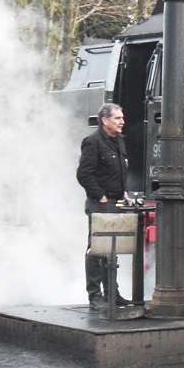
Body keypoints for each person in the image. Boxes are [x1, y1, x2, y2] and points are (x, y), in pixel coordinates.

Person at [77, 103, 130, 310]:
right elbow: (83, 174)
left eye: (122, 118)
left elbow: (120, 170)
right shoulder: (93, 142)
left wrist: (124, 191)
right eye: (117, 118)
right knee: (97, 250)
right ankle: (95, 295)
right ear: (104, 120)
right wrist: (101, 196)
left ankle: (112, 293)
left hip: (117, 202)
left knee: (112, 249)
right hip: (101, 204)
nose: (122, 122)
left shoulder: (119, 141)